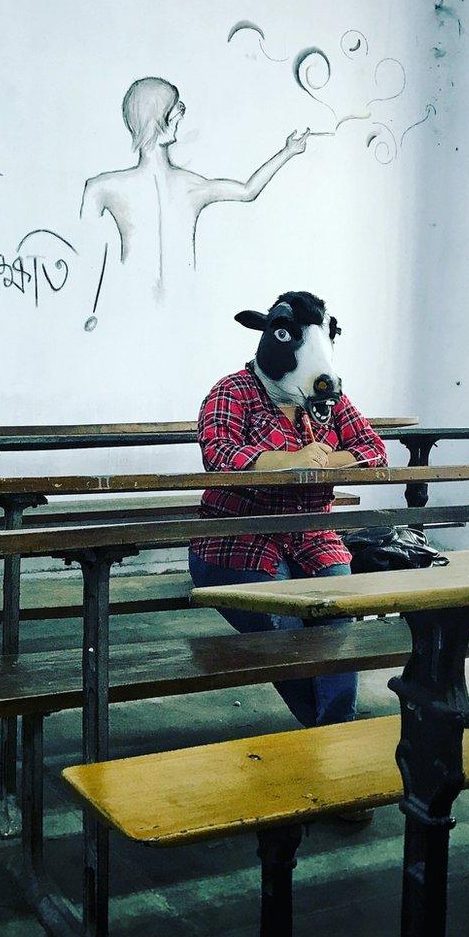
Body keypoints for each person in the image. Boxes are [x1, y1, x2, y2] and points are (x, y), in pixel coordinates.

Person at [188, 310, 388, 730]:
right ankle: (329, 733)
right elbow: (218, 456)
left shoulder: (325, 396)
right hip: (240, 539)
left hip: (314, 536)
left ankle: (331, 733)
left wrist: (330, 460)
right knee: (287, 630)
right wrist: (286, 461)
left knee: (337, 618)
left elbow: (374, 449)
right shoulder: (233, 391)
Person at [80, 76, 311, 292]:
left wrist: (288, 151)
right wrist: (288, 151)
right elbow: (248, 191)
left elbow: (247, 191)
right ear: (156, 118)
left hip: (169, 308)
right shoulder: (103, 188)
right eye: (173, 107)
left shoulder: (102, 187)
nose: (181, 111)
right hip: (151, 307)